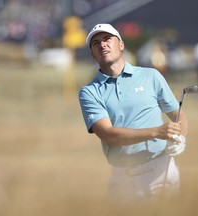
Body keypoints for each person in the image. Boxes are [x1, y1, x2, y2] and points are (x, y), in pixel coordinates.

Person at [78, 24, 188, 203]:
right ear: (93, 53)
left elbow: (178, 115)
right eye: (96, 43)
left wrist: (181, 137)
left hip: (161, 171)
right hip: (122, 177)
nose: (102, 45)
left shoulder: (151, 76)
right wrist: (156, 132)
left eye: (107, 39)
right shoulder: (89, 91)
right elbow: (108, 135)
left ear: (121, 45)